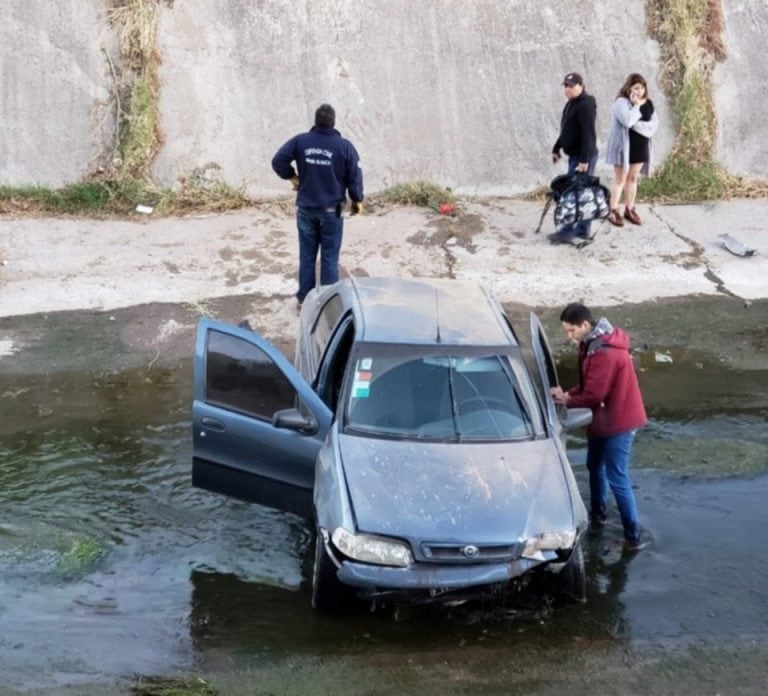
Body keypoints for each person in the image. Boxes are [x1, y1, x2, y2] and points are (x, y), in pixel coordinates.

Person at [550, 302, 648, 552]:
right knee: (595, 465)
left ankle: (633, 538)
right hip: (604, 417)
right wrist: (568, 395)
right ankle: (598, 515)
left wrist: (568, 400)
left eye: (571, 330)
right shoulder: (591, 344)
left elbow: (593, 394)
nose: (568, 336)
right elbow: (587, 386)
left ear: (585, 325)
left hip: (619, 422)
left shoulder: (605, 352)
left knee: (617, 476)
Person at [272, 103, 364, 307]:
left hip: (306, 209)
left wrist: (293, 177)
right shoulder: (344, 147)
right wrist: (357, 200)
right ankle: (327, 304)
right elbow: (355, 177)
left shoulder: (300, 141)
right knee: (329, 258)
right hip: (332, 211)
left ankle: (304, 300)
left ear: (315, 120)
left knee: (307, 256)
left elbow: (278, 161)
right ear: (333, 122)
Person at [550, 72, 598, 247]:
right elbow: (566, 130)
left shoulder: (585, 106)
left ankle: (567, 232)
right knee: (581, 194)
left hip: (583, 158)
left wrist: (584, 161)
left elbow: (588, 135)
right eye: (565, 86)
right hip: (575, 156)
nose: (567, 89)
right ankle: (583, 230)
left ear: (580, 86)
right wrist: (557, 148)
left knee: (571, 194)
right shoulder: (571, 104)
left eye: (570, 86)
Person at [605, 73, 659, 227]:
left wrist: (640, 127)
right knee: (620, 179)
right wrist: (635, 105)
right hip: (624, 147)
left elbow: (654, 124)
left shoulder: (648, 103)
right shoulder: (621, 102)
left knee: (633, 178)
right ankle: (613, 210)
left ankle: (629, 208)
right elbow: (628, 121)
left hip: (641, 147)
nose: (639, 91)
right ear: (629, 88)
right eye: (636, 87)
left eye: (642, 88)